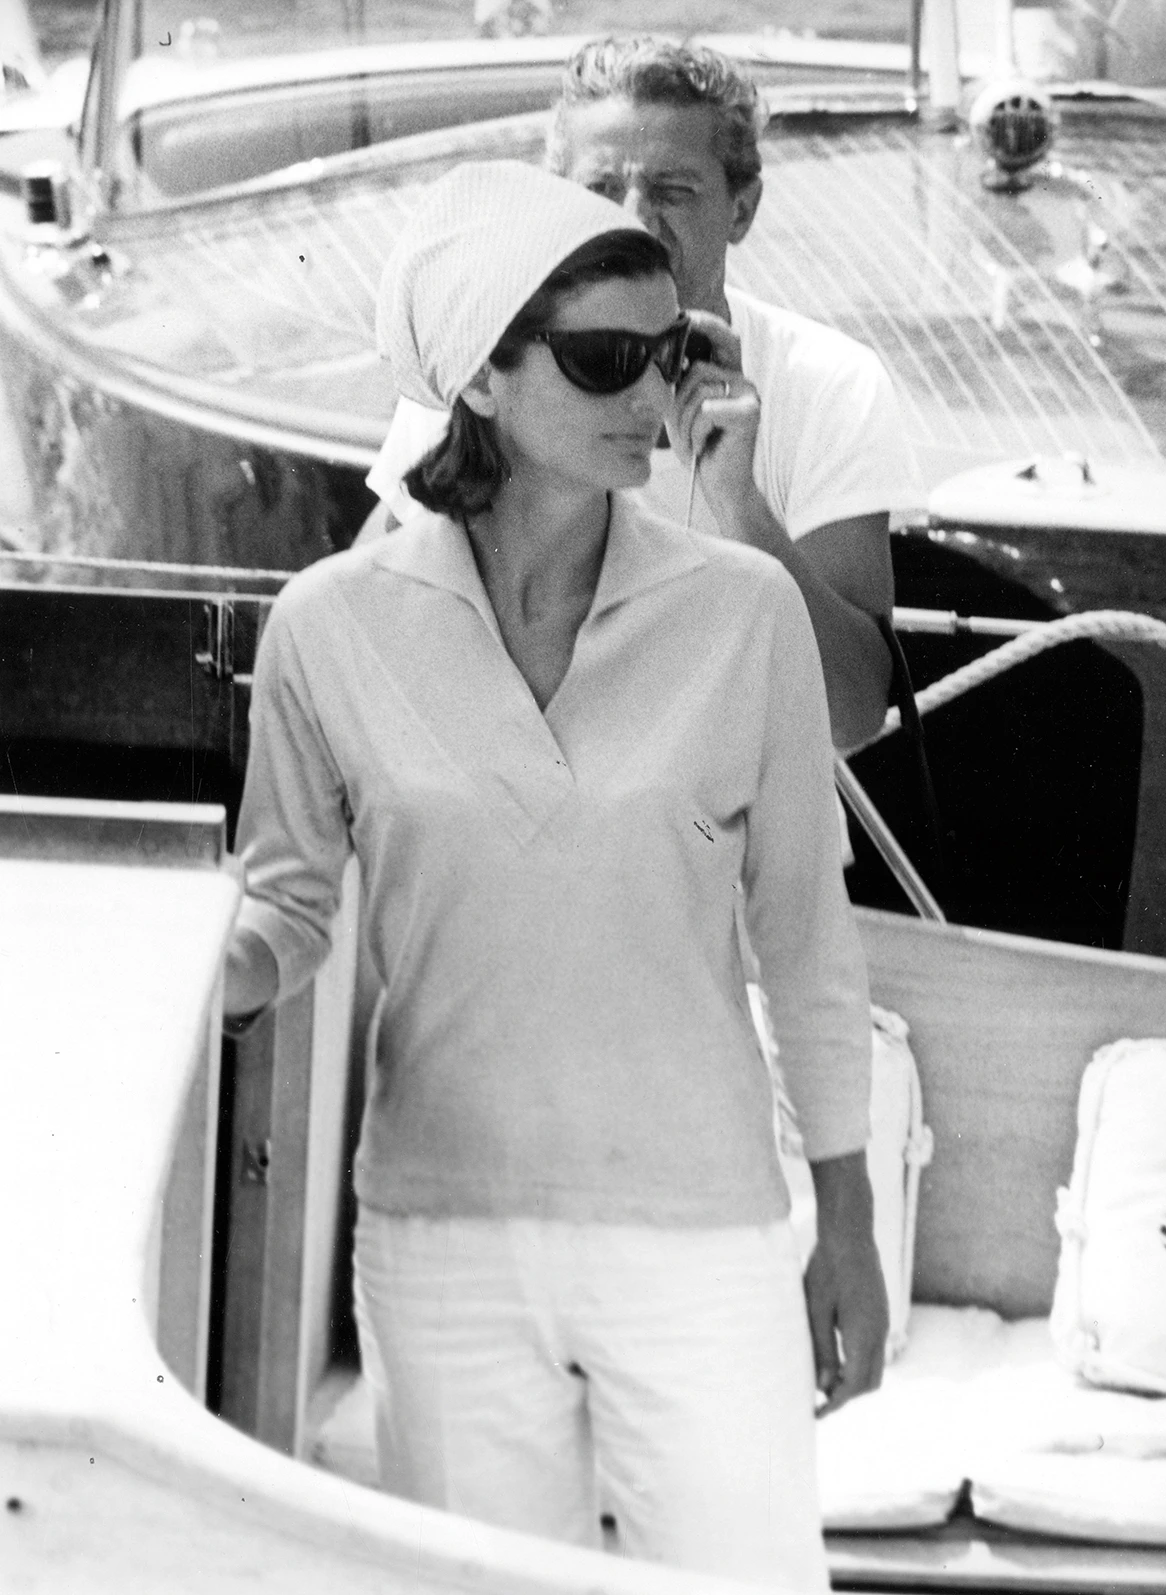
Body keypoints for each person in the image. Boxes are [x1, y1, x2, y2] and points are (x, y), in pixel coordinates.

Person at [225, 159, 884, 1588]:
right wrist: (171, 966)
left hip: (705, 1240)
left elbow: (806, 939)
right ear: (479, 374)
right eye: (603, 359)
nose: (651, 397)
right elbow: (284, 905)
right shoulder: (327, 628)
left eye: (672, 354)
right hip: (440, 1235)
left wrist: (850, 1221)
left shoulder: (744, 611)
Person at [364, 36, 922, 755]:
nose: (630, 220)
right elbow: (363, 644)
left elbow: (850, 713)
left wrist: (738, 502)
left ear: (743, 208)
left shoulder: (828, 385)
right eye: (599, 190)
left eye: (673, 191)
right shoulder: (477, 366)